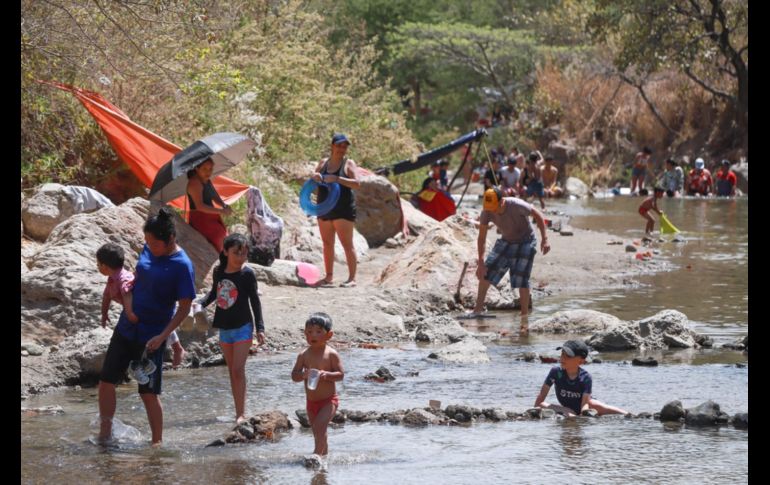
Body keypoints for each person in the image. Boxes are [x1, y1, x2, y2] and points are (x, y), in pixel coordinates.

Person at [97, 207, 196, 446]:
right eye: (147, 242)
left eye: (154, 243)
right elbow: (136, 276)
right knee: (106, 381)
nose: (149, 247)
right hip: (126, 328)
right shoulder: (149, 248)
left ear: (170, 239)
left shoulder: (182, 266)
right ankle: (105, 433)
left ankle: (157, 444)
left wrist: (164, 337)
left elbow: (183, 308)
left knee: (149, 393)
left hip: (152, 336)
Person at [197, 233, 266, 424]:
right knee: (232, 372)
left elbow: (255, 301)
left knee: (238, 370)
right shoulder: (219, 271)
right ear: (226, 252)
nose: (241, 257)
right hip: (224, 327)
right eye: (237, 253)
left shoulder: (247, 274)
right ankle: (238, 410)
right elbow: (214, 294)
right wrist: (199, 304)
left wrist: (260, 327)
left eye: (244, 253)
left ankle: (241, 414)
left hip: (243, 326)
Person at [97, 243, 186, 369]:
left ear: (104, 267)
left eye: (98, 264)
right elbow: (106, 296)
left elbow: (127, 294)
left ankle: (177, 348)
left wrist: (129, 313)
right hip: (139, 306)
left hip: (145, 304)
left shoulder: (123, 279)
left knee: (161, 324)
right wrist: (104, 313)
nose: (97, 267)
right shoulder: (112, 279)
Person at [470, 187, 550, 319]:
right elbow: (482, 238)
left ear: (502, 202)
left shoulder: (516, 204)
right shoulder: (486, 212)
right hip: (506, 241)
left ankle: (524, 317)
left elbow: (538, 215)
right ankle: (477, 310)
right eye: (488, 208)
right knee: (486, 273)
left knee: (521, 278)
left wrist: (545, 239)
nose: (491, 211)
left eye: (493, 207)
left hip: (526, 241)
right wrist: (481, 262)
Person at [291, 312, 345, 466]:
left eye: (318, 332)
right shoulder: (303, 355)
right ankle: (324, 460)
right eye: (309, 332)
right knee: (318, 432)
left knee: (319, 426)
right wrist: (303, 375)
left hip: (329, 401)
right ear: (304, 333)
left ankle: (315, 455)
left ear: (329, 335)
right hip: (311, 402)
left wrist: (326, 374)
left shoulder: (331, 354)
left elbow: (340, 375)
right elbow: (294, 376)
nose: (312, 335)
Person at [311, 133, 361, 287]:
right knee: (327, 244)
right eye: (339, 145)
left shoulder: (348, 163)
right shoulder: (323, 163)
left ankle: (352, 279)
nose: (342, 148)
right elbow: (313, 186)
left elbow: (357, 183)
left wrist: (338, 179)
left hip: (343, 209)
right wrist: (314, 177)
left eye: (345, 146)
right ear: (332, 146)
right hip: (324, 208)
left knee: (347, 244)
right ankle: (329, 277)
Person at [535, 340, 628, 417]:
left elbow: (585, 404)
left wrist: (584, 416)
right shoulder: (555, 372)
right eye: (562, 354)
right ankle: (569, 412)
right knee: (543, 405)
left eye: (568, 356)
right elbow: (541, 397)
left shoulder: (586, 377)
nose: (562, 358)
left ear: (581, 361)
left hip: (586, 404)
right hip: (565, 408)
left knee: (596, 405)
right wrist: (533, 412)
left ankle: (629, 415)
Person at [187, 158, 233, 252]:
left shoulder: (206, 180)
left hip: (210, 216)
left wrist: (223, 205)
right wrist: (221, 211)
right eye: (204, 169)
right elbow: (200, 206)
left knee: (224, 238)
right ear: (196, 168)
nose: (208, 172)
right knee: (219, 239)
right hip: (200, 218)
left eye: (210, 169)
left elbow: (214, 196)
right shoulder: (194, 183)